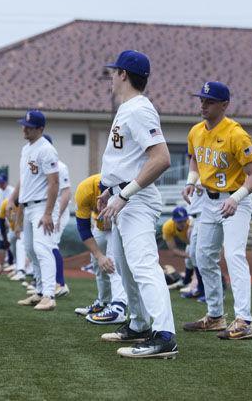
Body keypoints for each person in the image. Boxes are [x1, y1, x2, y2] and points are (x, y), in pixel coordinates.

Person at [97, 50, 177, 359]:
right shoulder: (128, 108)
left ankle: (165, 336)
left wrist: (124, 194)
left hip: (136, 200)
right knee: (126, 268)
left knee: (143, 265)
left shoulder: (140, 109)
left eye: (114, 71)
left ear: (123, 75)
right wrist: (109, 189)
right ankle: (140, 323)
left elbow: (162, 159)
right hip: (123, 196)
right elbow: (127, 159)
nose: (111, 76)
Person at [182, 81, 252, 340]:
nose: (203, 105)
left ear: (225, 104)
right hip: (209, 201)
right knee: (202, 256)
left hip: (234, 200)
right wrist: (190, 182)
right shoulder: (195, 131)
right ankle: (215, 315)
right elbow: (194, 158)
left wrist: (236, 198)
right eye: (202, 100)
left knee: (234, 255)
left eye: (210, 101)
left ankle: (244, 320)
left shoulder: (237, 135)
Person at [11, 109, 60, 311]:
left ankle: (49, 295)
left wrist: (48, 213)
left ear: (40, 129)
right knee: (30, 248)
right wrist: (18, 204)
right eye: (24, 124)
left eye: (29, 126)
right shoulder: (26, 148)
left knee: (42, 248)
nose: (24, 128)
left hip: (42, 206)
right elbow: (25, 180)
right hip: (29, 205)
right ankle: (40, 291)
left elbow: (54, 183)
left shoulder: (46, 149)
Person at [73, 173, 128, 325]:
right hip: (100, 226)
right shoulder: (85, 190)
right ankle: (104, 302)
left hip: (119, 222)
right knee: (98, 263)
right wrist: (98, 255)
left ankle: (119, 306)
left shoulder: (121, 185)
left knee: (113, 261)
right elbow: (83, 228)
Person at [43, 134, 71, 297]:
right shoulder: (39, 166)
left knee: (51, 245)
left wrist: (58, 216)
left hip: (57, 211)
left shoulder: (60, 166)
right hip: (46, 210)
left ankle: (60, 283)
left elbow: (67, 192)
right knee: (42, 247)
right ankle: (45, 283)